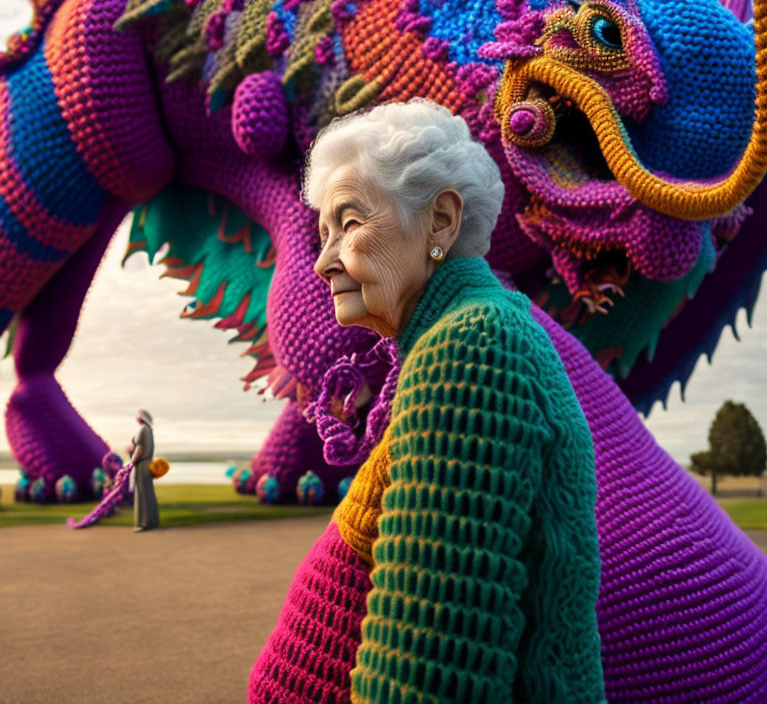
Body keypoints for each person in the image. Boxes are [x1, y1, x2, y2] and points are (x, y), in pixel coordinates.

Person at [249, 99, 605, 702]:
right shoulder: (460, 336)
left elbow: (434, 669)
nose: (322, 259)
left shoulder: (472, 347)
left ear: (440, 221)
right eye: (323, 232)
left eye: (351, 223)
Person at [130, 408, 159, 532]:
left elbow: (139, 449)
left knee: (141, 492)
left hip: (142, 464)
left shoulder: (142, 430)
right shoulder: (149, 431)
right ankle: (152, 521)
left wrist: (132, 462)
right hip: (149, 463)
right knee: (148, 492)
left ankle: (143, 522)